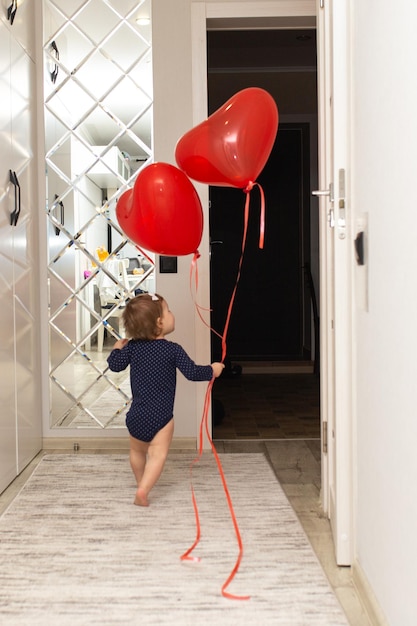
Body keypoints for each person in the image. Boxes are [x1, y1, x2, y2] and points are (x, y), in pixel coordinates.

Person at [107, 293, 224, 506]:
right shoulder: (172, 350)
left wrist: (117, 349)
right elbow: (193, 372)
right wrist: (213, 370)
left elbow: (115, 366)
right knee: (157, 454)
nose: (172, 314)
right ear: (159, 322)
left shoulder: (132, 347)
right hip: (161, 416)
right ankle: (143, 490)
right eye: (168, 311)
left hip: (136, 414)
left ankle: (141, 482)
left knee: (137, 451)